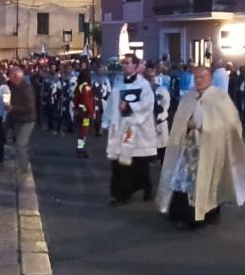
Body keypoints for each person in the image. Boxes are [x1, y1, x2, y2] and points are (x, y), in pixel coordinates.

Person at [157, 66, 245, 230]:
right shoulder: (188, 97)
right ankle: (180, 213)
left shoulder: (220, 98)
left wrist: (202, 126)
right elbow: (179, 122)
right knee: (183, 182)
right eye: (196, 77)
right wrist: (186, 126)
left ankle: (203, 217)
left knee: (207, 183)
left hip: (209, 151)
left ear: (210, 78)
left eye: (203, 76)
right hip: (187, 150)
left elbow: (230, 125)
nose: (199, 80)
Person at [103, 54, 156, 205]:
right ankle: (120, 194)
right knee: (119, 163)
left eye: (127, 63)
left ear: (135, 65)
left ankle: (146, 187)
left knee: (139, 164)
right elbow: (111, 103)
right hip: (119, 129)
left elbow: (148, 104)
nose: (124, 66)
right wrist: (106, 122)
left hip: (136, 131)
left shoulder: (143, 85)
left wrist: (130, 106)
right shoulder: (118, 83)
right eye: (123, 63)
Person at [6, 66, 35, 172]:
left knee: (20, 144)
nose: (9, 78)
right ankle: (24, 159)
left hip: (27, 119)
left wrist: (13, 107)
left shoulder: (26, 88)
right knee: (20, 143)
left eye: (11, 76)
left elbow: (29, 106)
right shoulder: (10, 85)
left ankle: (23, 167)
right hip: (17, 118)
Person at [145, 62, 171, 163]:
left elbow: (165, 104)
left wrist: (160, 113)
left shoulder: (161, 90)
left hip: (160, 121)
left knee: (162, 145)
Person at [73, 69, 95, 158]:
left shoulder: (79, 86)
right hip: (85, 113)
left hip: (80, 111)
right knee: (84, 131)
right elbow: (88, 101)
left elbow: (76, 99)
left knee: (81, 131)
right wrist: (92, 112)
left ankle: (80, 147)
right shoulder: (86, 87)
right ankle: (80, 148)